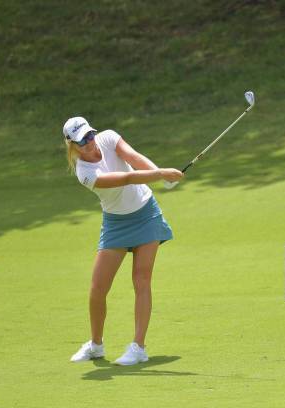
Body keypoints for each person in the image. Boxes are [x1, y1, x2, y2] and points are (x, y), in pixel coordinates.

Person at [63, 116, 183, 365]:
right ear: (72, 145)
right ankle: (96, 345)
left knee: (141, 279)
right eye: (81, 140)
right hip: (116, 224)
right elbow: (126, 178)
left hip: (146, 214)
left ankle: (138, 347)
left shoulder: (107, 137)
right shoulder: (85, 173)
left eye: (89, 135)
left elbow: (133, 157)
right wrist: (161, 174)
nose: (89, 142)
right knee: (98, 288)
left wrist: (159, 174)